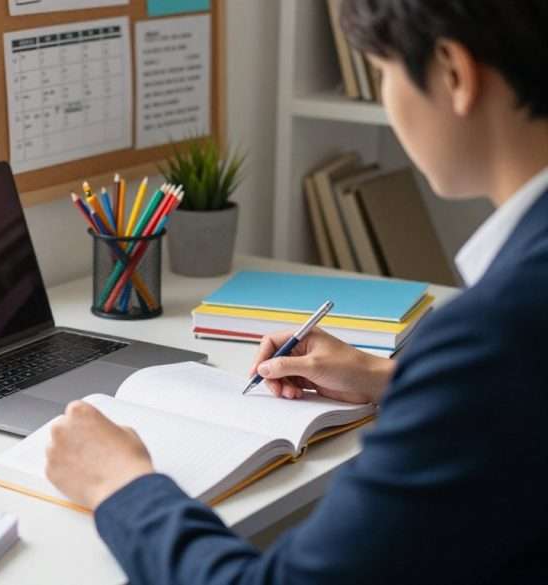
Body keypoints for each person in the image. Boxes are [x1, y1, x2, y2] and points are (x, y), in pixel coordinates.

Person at [44, 1, 548, 583]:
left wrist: (120, 485)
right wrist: (392, 378)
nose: (385, 94)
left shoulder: (494, 334)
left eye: (382, 71)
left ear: (454, 73)